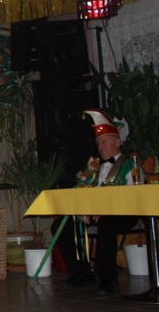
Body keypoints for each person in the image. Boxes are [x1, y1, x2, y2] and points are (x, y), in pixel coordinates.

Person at [52, 108, 137, 296]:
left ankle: (107, 280)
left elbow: (132, 195)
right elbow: (80, 189)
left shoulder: (129, 164)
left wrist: (107, 209)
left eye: (104, 142)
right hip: (95, 213)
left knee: (107, 224)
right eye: (98, 143)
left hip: (123, 213)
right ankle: (82, 273)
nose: (100, 146)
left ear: (117, 142)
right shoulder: (94, 167)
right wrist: (80, 209)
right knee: (63, 225)